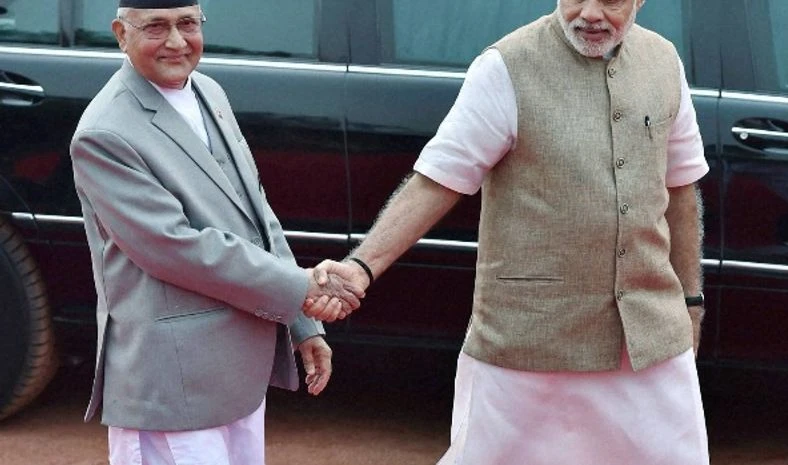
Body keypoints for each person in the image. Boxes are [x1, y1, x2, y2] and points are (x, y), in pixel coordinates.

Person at [307, 0, 710, 463]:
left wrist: (690, 303)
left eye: (611, 0)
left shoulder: (663, 61)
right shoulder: (506, 66)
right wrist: (362, 266)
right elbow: (437, 180)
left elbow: (680, 190)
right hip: (528, 340)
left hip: (650, 340)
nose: (590, 13)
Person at [69, 1, 363, 464]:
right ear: (121, 34)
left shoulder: (208, 91)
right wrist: (301, 288)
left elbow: (256, 213)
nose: (176, 41)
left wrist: (304, 322)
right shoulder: (104, 132)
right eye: (156, 27)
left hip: (235, 372)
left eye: (187, 24)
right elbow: (175, 248)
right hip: (172, 382)